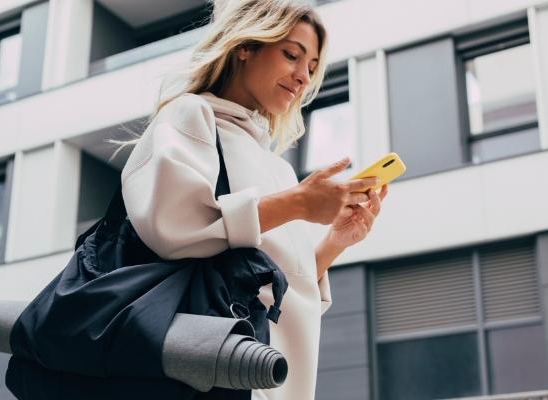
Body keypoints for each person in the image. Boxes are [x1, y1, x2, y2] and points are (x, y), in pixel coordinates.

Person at [119, 0, 388, 398]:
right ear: (246, 45)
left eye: (311, 68)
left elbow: (280, 287)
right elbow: (173, 228)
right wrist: (298, 203)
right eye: (292, 55)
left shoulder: (275, 167)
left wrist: (335, 242)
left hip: (276, 381)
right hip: (217, 378)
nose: (302, 77)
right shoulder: (191, 116)